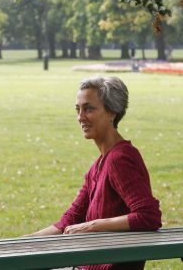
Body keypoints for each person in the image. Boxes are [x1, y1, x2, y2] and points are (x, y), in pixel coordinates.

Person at [27, 76, 162, 270]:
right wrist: (23, 241)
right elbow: (69, 220)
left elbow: (149, 216)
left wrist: (92, 225)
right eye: (78, 109)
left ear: (112, 112)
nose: (80, 117)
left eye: (89, 108)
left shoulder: (120, 159)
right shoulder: (98, 166)